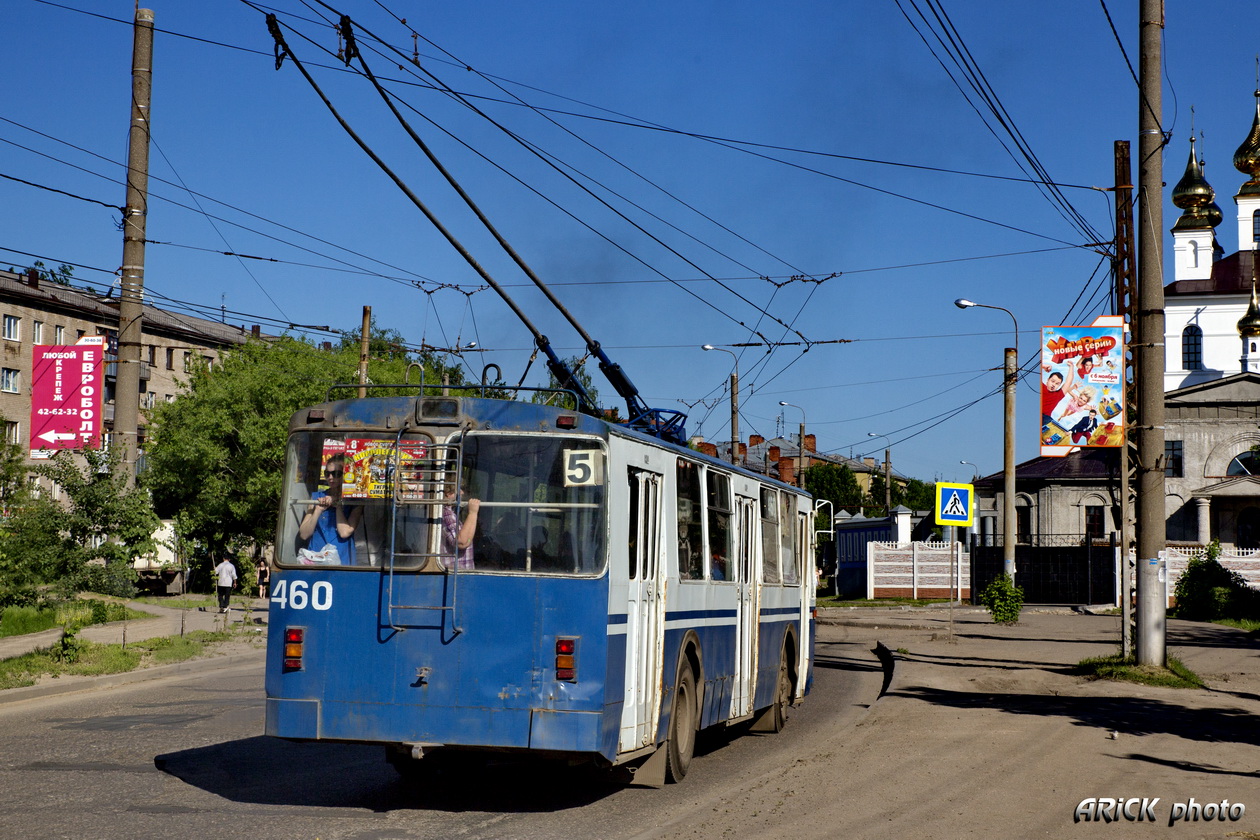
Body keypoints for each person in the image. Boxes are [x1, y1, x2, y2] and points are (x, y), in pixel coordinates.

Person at [299, 454, 362, 565]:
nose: (330, 478)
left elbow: (344, 532)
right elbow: (304, 534)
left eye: (336, 474)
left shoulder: (356, 500)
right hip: (316, 556)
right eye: (327, 474)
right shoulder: (316, 497)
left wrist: (337, 506)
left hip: (342, 557)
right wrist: (317, 511)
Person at [441, 476, 481, 570]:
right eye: (459, 489)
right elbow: (462, 542)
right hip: (457, 576)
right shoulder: (447, 514)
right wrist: (473, 513)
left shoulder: (450, 513)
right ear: (447, 492)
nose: (462, 492)